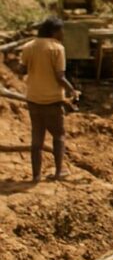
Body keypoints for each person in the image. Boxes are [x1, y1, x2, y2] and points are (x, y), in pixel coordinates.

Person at [20, 16, 79, 183]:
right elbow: (60, 76)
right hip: (52, 100)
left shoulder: (28, 46)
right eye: (62, 30)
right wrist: (72, 90)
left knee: (36, 138)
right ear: (55, 31)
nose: (63, 34)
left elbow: (22, 69)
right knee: (59, 135)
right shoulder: (57, 48)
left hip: (33, 98)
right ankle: (59, 171)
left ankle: (36, 176)